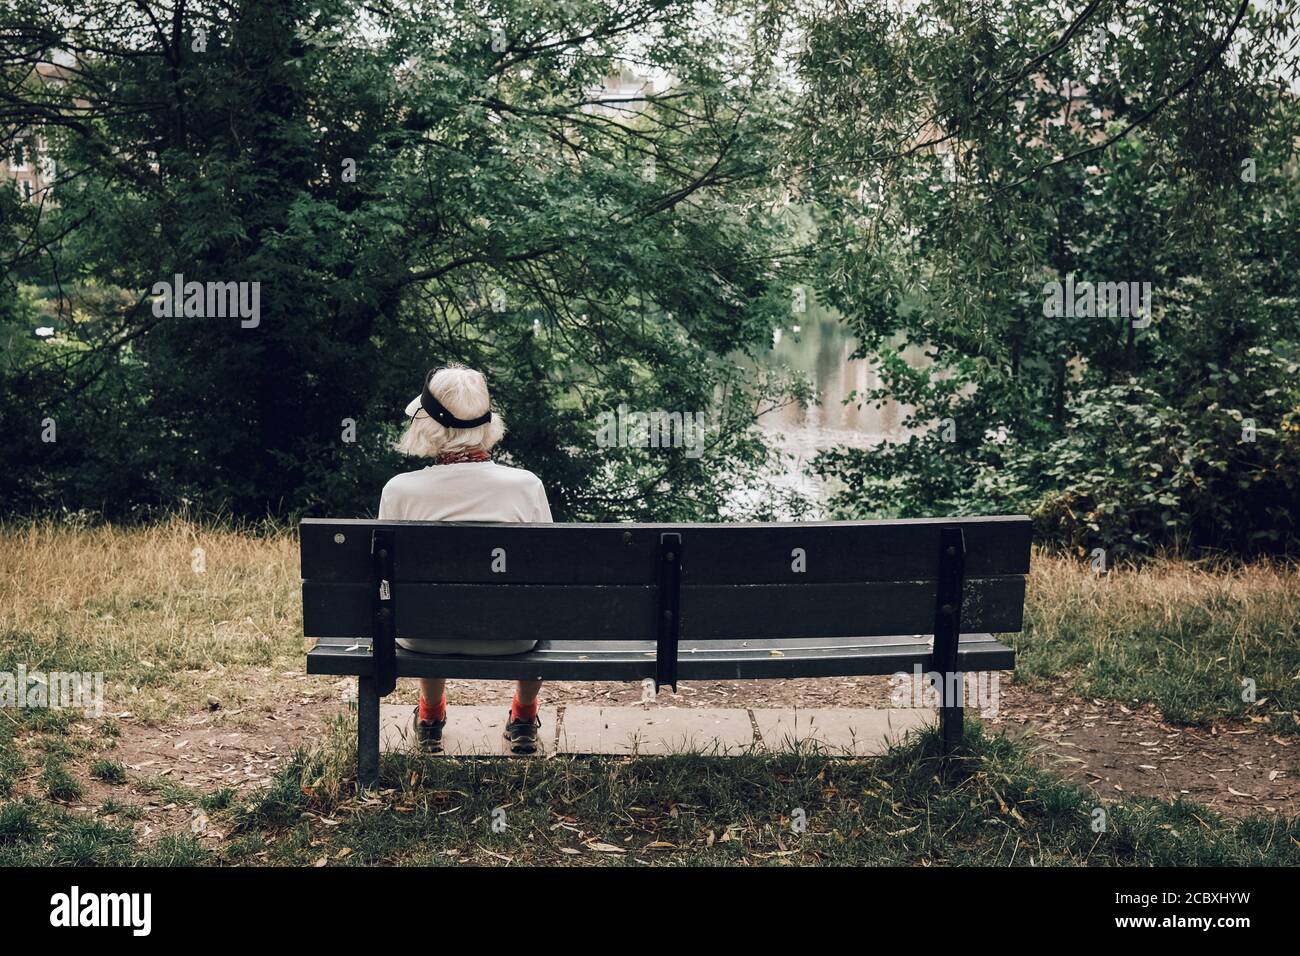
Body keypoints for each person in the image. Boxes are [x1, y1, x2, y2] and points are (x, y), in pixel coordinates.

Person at [378, 364, 552, 754]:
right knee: (539, 604)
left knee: (428, 601)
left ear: (426, 425)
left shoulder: (400, 491)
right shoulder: (526, 486)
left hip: (422, 636)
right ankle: (524, 716)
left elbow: (386, 579)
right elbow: (546, 576)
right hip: (513, 639)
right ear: (487, 426)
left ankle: (429, 716)